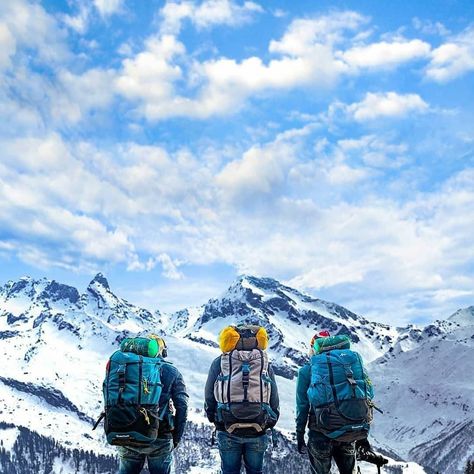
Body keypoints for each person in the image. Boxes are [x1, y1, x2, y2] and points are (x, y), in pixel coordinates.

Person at [205, 325, 280, 474]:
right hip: (258, 429)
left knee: (229, 471)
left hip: (228, 429)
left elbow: (209, 396)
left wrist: (216, 420)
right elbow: (273, 398)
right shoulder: (264, 363)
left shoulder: (220, 362)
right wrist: (270, 420)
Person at [296, 330, 374, 474]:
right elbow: (368, 394)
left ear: (315, 347)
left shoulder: (307, 370)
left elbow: (302, 406)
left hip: (320, 432)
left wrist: (299, 434)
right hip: (348, 432)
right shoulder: (351, 366)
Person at [117, 335, 189, 474]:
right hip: (160, 436)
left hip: (128, 433)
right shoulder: (171, 371)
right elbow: (182, 406)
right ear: (162, 351)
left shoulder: (125, 368)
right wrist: (176, 438)